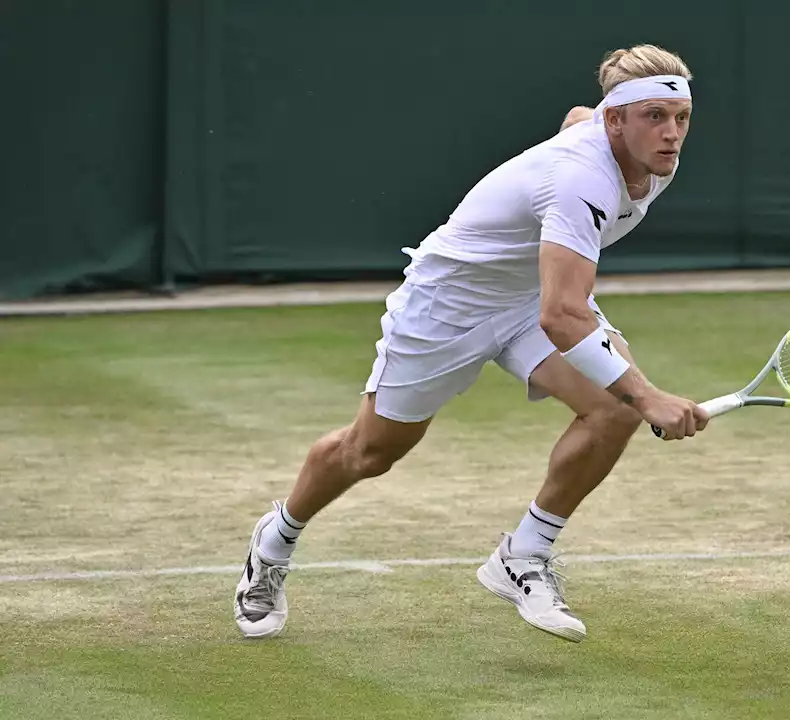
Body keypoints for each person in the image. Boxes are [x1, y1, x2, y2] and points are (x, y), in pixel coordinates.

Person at [232, 44, 709, 643]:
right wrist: (650, 397)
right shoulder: (580, 178)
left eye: (681, 117)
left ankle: (523, 555)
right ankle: (274, 542)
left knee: (608, 407)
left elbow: (576, 115)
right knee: (370, 453)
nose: (671, 135)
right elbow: (564, 316)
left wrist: (631, 398)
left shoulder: (633, 147)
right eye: (654, 118)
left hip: (526, 300)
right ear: (618, 119)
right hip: (447, 306)